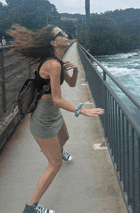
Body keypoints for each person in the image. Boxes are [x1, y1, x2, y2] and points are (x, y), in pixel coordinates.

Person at [7, 24, 104, 213]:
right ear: (53, 42)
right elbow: (58, 99)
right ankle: (31, 207)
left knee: (65, 137)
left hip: (53, 113)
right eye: (61, 34)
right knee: (55, 164)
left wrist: (74, 70)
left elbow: (72, 83)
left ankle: (55, 150)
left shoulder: (57, 62)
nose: (66, 35)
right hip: (43, 117)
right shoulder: (52, 64)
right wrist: (81, 110)